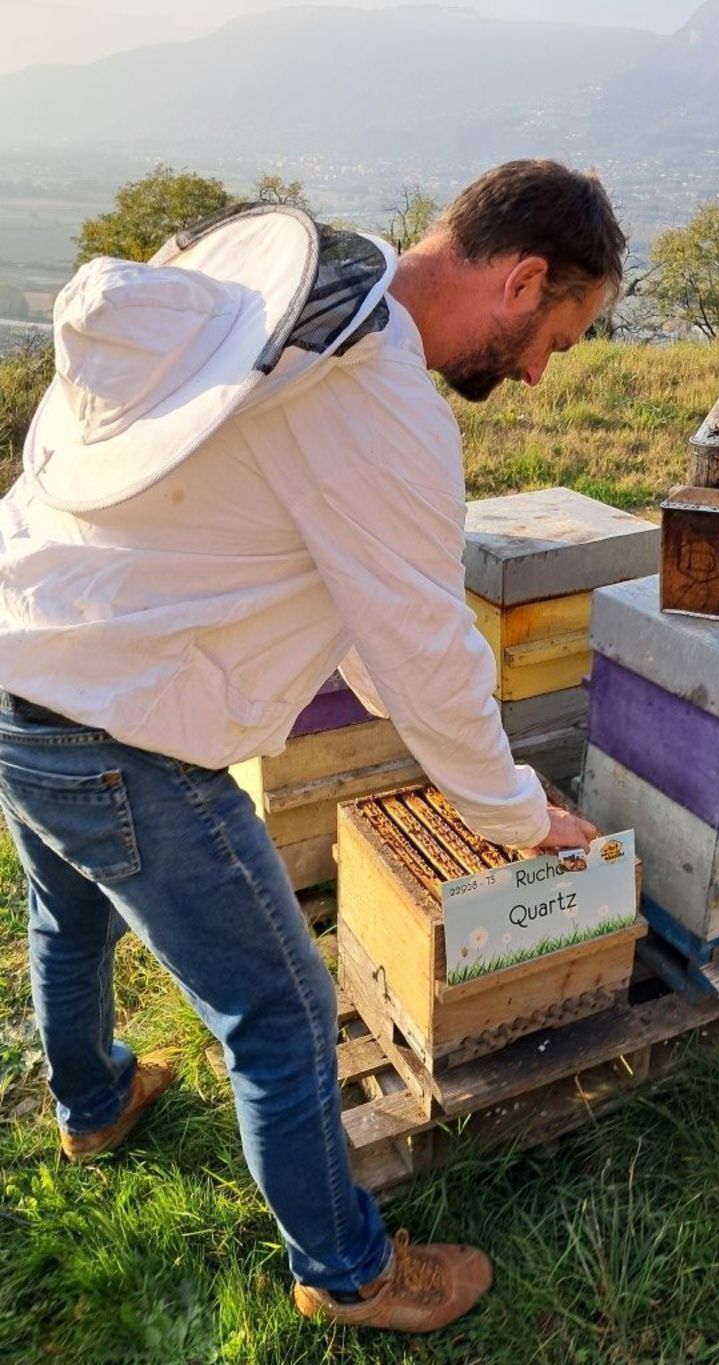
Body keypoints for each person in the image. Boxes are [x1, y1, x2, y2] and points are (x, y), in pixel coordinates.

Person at [0, 160, 626, 1334]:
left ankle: (91, 1103)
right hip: (122, 731)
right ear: (526, 278)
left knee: (64, 914)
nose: (542, 370)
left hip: (23, 671)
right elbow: (428, 654)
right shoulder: (370, 391)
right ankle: (349, 1275)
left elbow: (303, 563)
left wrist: (414, 723)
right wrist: (514, 811)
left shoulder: (288, 302)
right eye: (560, 334)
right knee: (283, 1015)